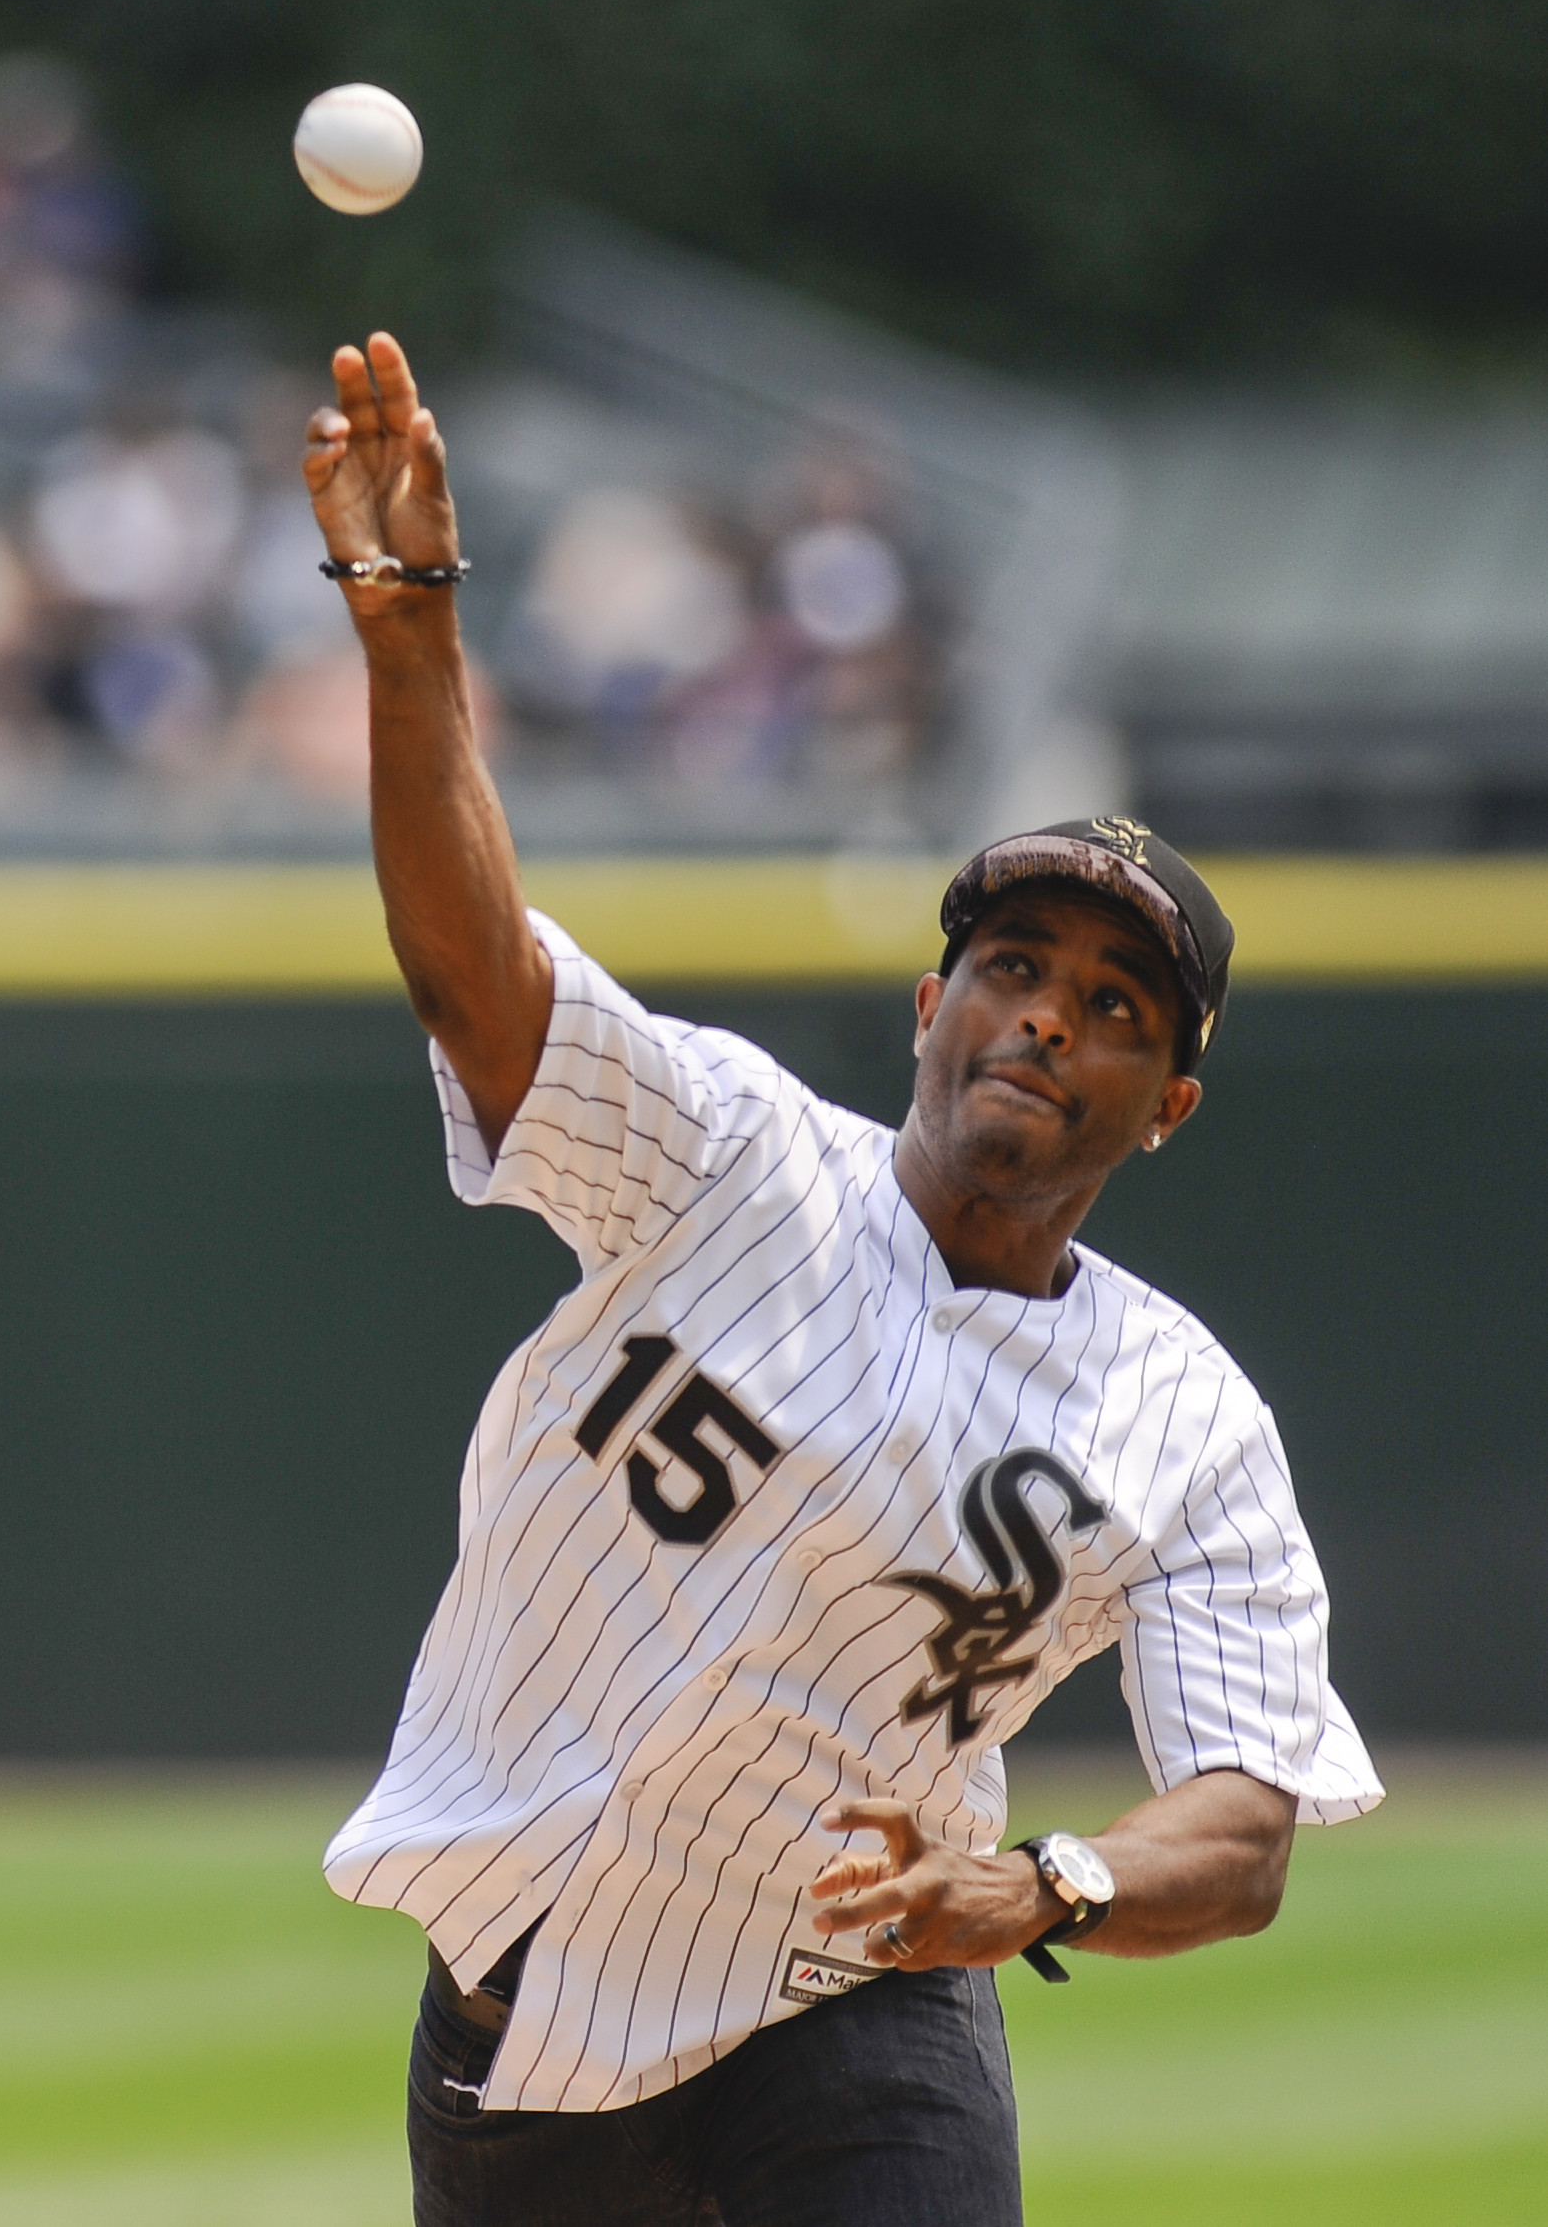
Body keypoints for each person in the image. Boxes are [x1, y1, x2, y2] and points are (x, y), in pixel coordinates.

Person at [303, 335, 1382, 2227]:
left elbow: (1242, 1825)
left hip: (851, 2003)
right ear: (929, 1003)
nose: (1047, 1018)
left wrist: (1046, 1887)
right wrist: (411, 648)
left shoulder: (1185, 1420)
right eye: (1013, 966)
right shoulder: (725, 1149)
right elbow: (482, 981)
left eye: (1113, 1009)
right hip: (526, 1988)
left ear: (1168, 1106)